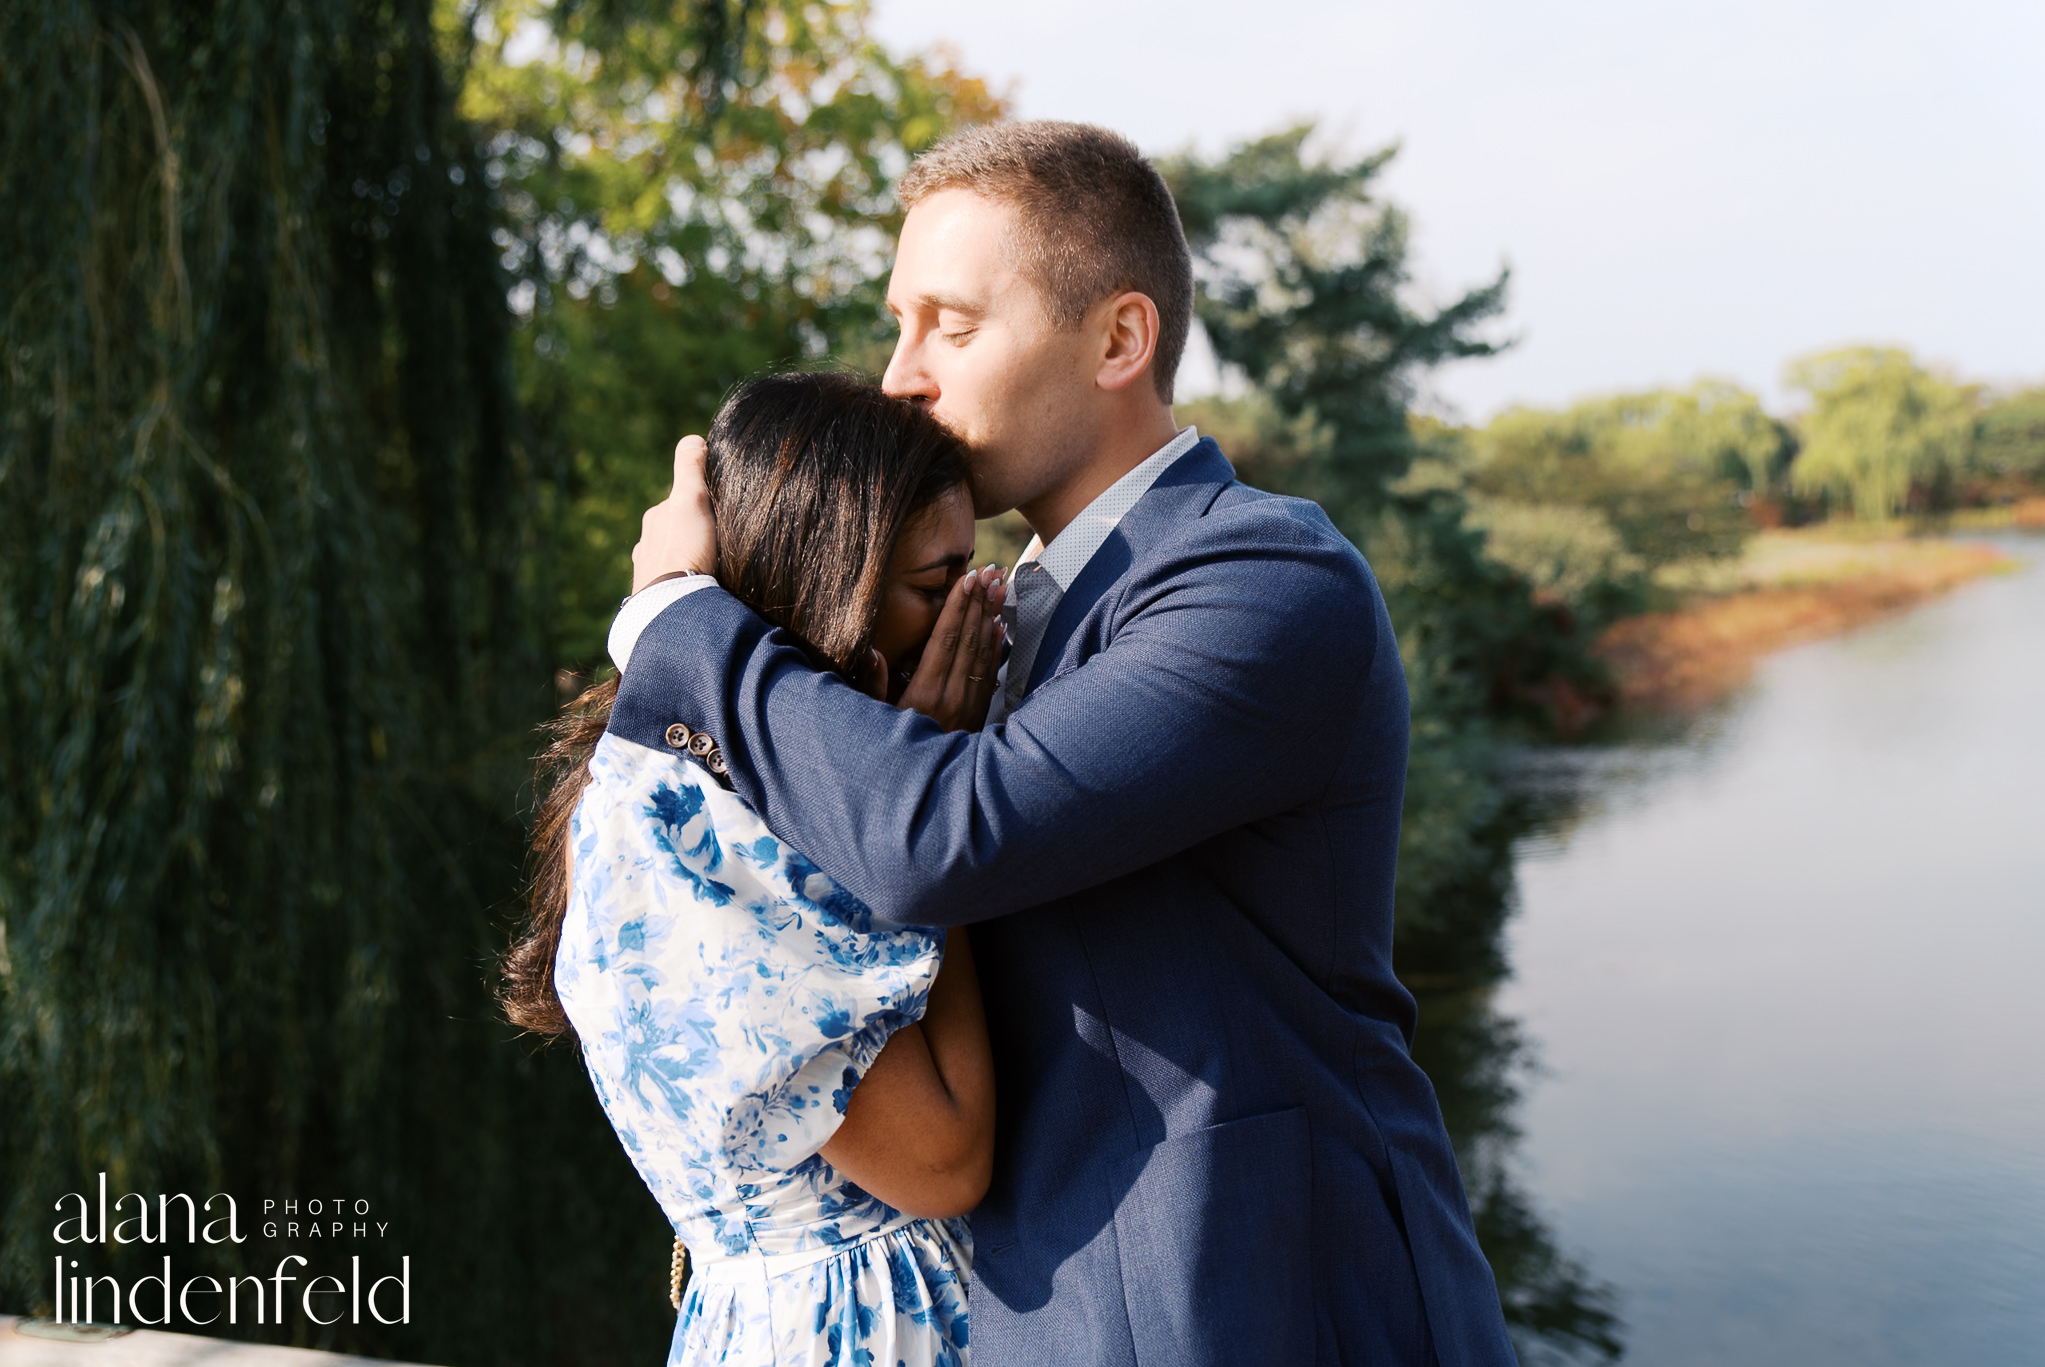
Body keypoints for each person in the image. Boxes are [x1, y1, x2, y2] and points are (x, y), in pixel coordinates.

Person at [615, 122, 1519, 1365]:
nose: (899, 376)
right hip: (1041, 1312)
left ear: (1117, 339)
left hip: (1270, 1302)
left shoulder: (1260, 579)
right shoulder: (975, 621)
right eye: (897, 322)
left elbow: (942, 833)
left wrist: (678, 620)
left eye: (951, 323)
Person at [501, 371, 1008, 1367]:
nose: (972, 616)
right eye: (932, 587)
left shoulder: (683, 789)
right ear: (827, 585)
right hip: (854, 1327)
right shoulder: (703, 829)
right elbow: (945, 1157)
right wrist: (928, 796)